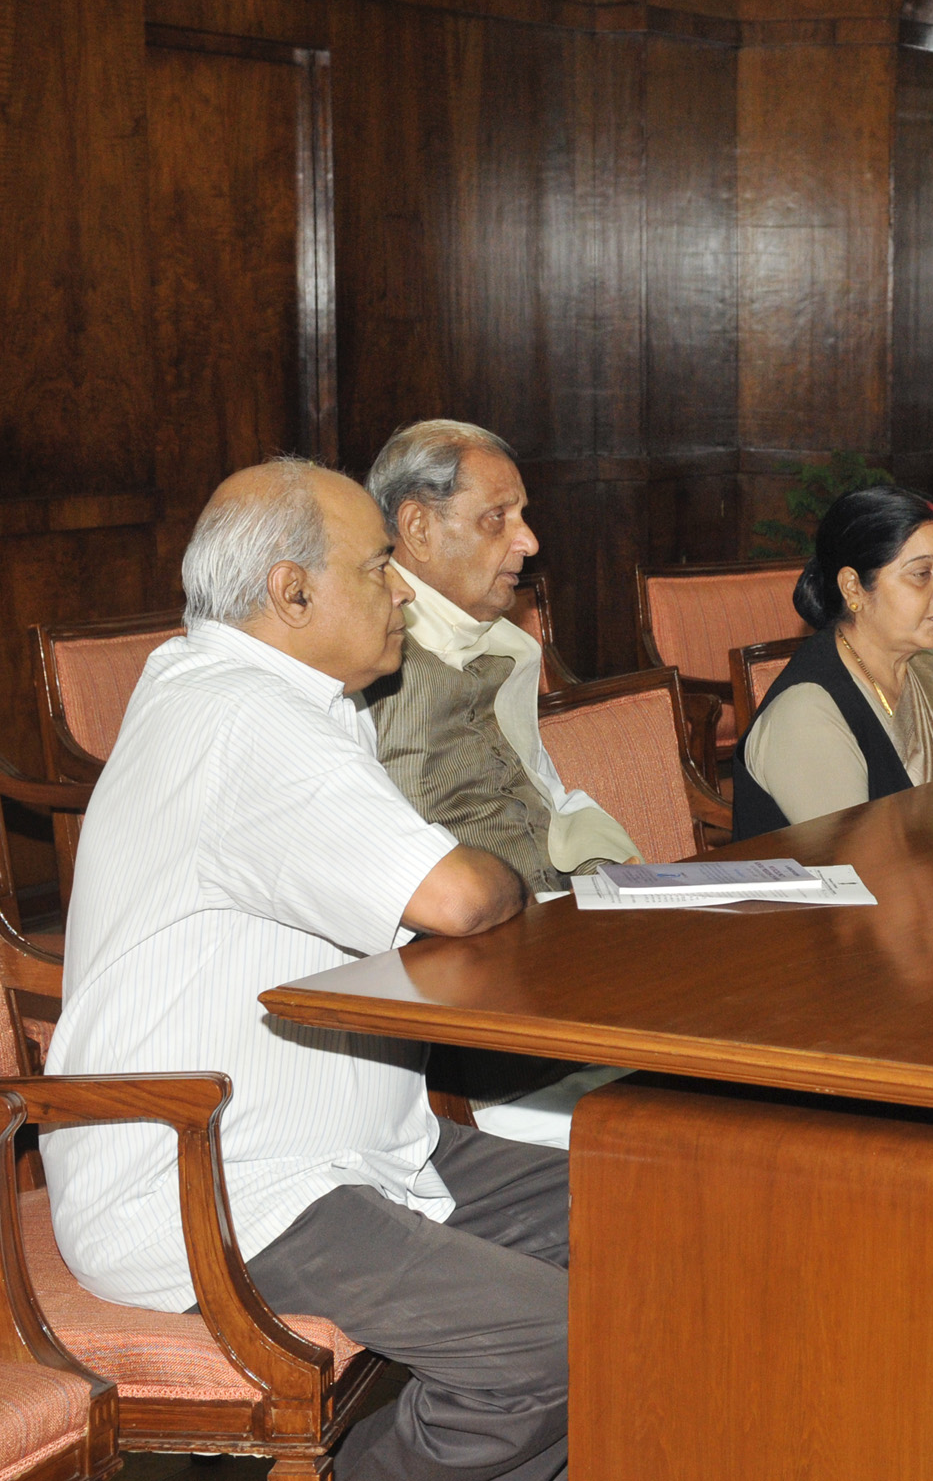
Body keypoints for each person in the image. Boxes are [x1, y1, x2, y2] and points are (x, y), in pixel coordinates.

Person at [44, 459, 570, 1481]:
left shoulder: (264, 694)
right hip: (215, 1180)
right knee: (546, 1344)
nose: (400, 590)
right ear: (290, 593)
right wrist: (513, 872)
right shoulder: (242, 717)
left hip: (352, 1143)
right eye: (378, 566)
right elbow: (456, 896)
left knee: (665, 1200)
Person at [362, 419, 640, 898]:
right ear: (418, 528)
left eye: (522, 517)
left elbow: (546, 796)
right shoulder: (357, 659)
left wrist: (611, 872)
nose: (529, 543)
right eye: (497, 518)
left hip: (555, 913)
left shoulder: (507, 645)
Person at [734, 485, 933, 835]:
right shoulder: (807, 714)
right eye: (922, 574)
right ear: (853, 588)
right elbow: (861, 867)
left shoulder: (931, 675)